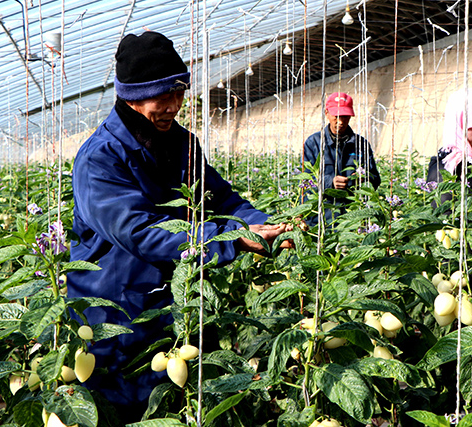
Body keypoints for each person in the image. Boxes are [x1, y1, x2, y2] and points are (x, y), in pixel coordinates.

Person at [69, 31, 288, 422]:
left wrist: (259, 224)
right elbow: (142, 232)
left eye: (179, 93)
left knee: (172, 406)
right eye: (162, 96)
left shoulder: (183, 144)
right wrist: (233, 241)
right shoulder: (100, 159)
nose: (174, 106)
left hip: (172, 308)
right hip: (116, 317)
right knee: (119, 410)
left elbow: (220, 198)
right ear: (131, 97)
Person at [302, 92, 381, 224]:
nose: (341, 121)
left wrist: (361, 180)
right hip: (320, 219)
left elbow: (375, 179)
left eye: (345, 116)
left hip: (352, 219)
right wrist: (329, 182)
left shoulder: (360, 144)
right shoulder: (314, 143)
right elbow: (305, 181)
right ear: (327, 113)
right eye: (336, 116)